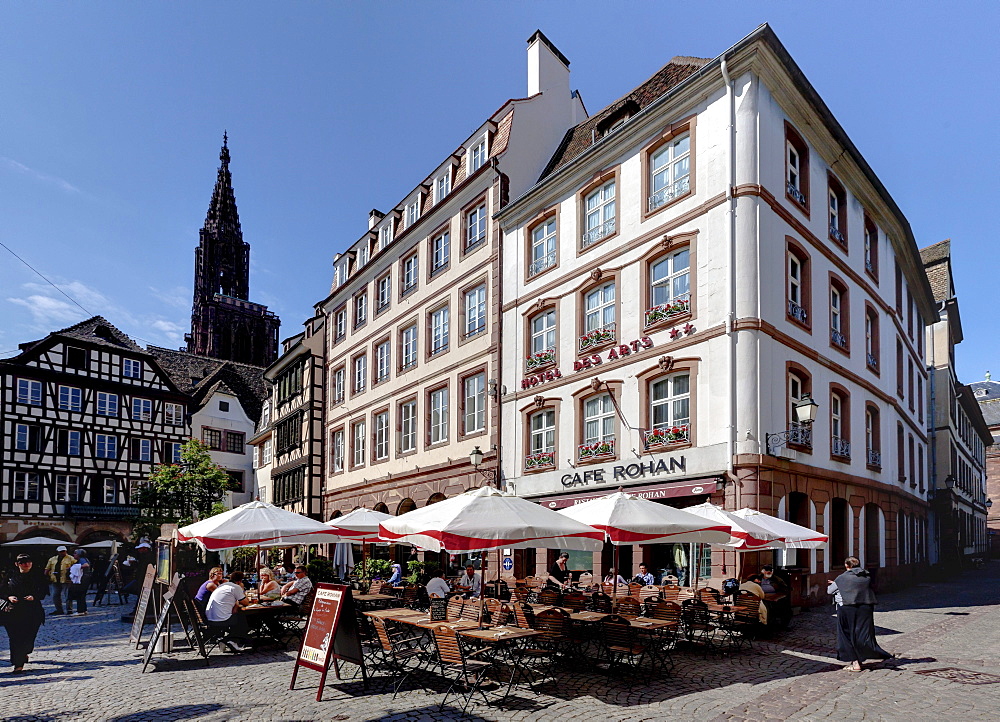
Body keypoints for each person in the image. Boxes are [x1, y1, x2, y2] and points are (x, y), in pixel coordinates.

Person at [829, 557, 891, 672]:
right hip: (865, 608)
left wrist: (835, 584)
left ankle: (855, 663)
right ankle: (862, 657)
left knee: (846, 635)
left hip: (847, 608)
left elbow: (830, 590)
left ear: (847, 566)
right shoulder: (866, 576)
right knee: (861, 634)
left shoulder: (842, 578)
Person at [2, 554, 48, 673]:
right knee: (15, 638)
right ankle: (18, 664)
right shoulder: (10, 577)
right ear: (17, 564)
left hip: (32, 611)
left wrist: (34, 596)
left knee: (29, 637)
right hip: (13, 611)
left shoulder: (38, 576)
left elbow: (43, 592)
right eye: (22, 562)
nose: (25, 564)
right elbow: (2, 591)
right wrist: (9, 597)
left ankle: (25, 652)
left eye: (28, 562)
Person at [205, 570, 251, 652]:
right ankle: (231, 640)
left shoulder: (223, 586)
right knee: (244, 619)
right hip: (221, 619)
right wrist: (242, 589)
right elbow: (246, 602)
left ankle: (230, 639)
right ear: (240, 581)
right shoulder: (235, 587)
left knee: (239, 616)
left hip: (210, 617)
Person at [758, 564, 791, 629]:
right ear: (763, 571)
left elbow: (784, 589)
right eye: (767, 570)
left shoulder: (776, 579)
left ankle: (782, 624)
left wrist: (778, 596)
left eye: (770, 570)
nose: (769, 572)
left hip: (774, 596)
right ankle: (765, 623)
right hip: (761, 596)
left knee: (784, 606)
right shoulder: (758, 578)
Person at [44, 545, 72, 615]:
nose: (62, 553)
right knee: (55, 595)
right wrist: (46, 575)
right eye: (61, 551)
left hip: (66, 579)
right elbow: (47, 568)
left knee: (67, 595)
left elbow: (76, 567)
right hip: (55, 579)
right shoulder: (52, 559)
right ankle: (59, 610)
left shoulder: (71, 558)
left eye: (64, 551)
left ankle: (69, 609)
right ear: (58, 552)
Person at [67, 551, 89, 616]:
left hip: (83, 579)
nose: (74, 554)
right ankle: (84, 609)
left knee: (79, 595)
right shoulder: (82, 559)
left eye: (75, 553)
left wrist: (75, 568)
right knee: (82, 595)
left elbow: (86, 565)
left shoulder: (82, 559)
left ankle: (80, 610)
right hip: (84, 578)